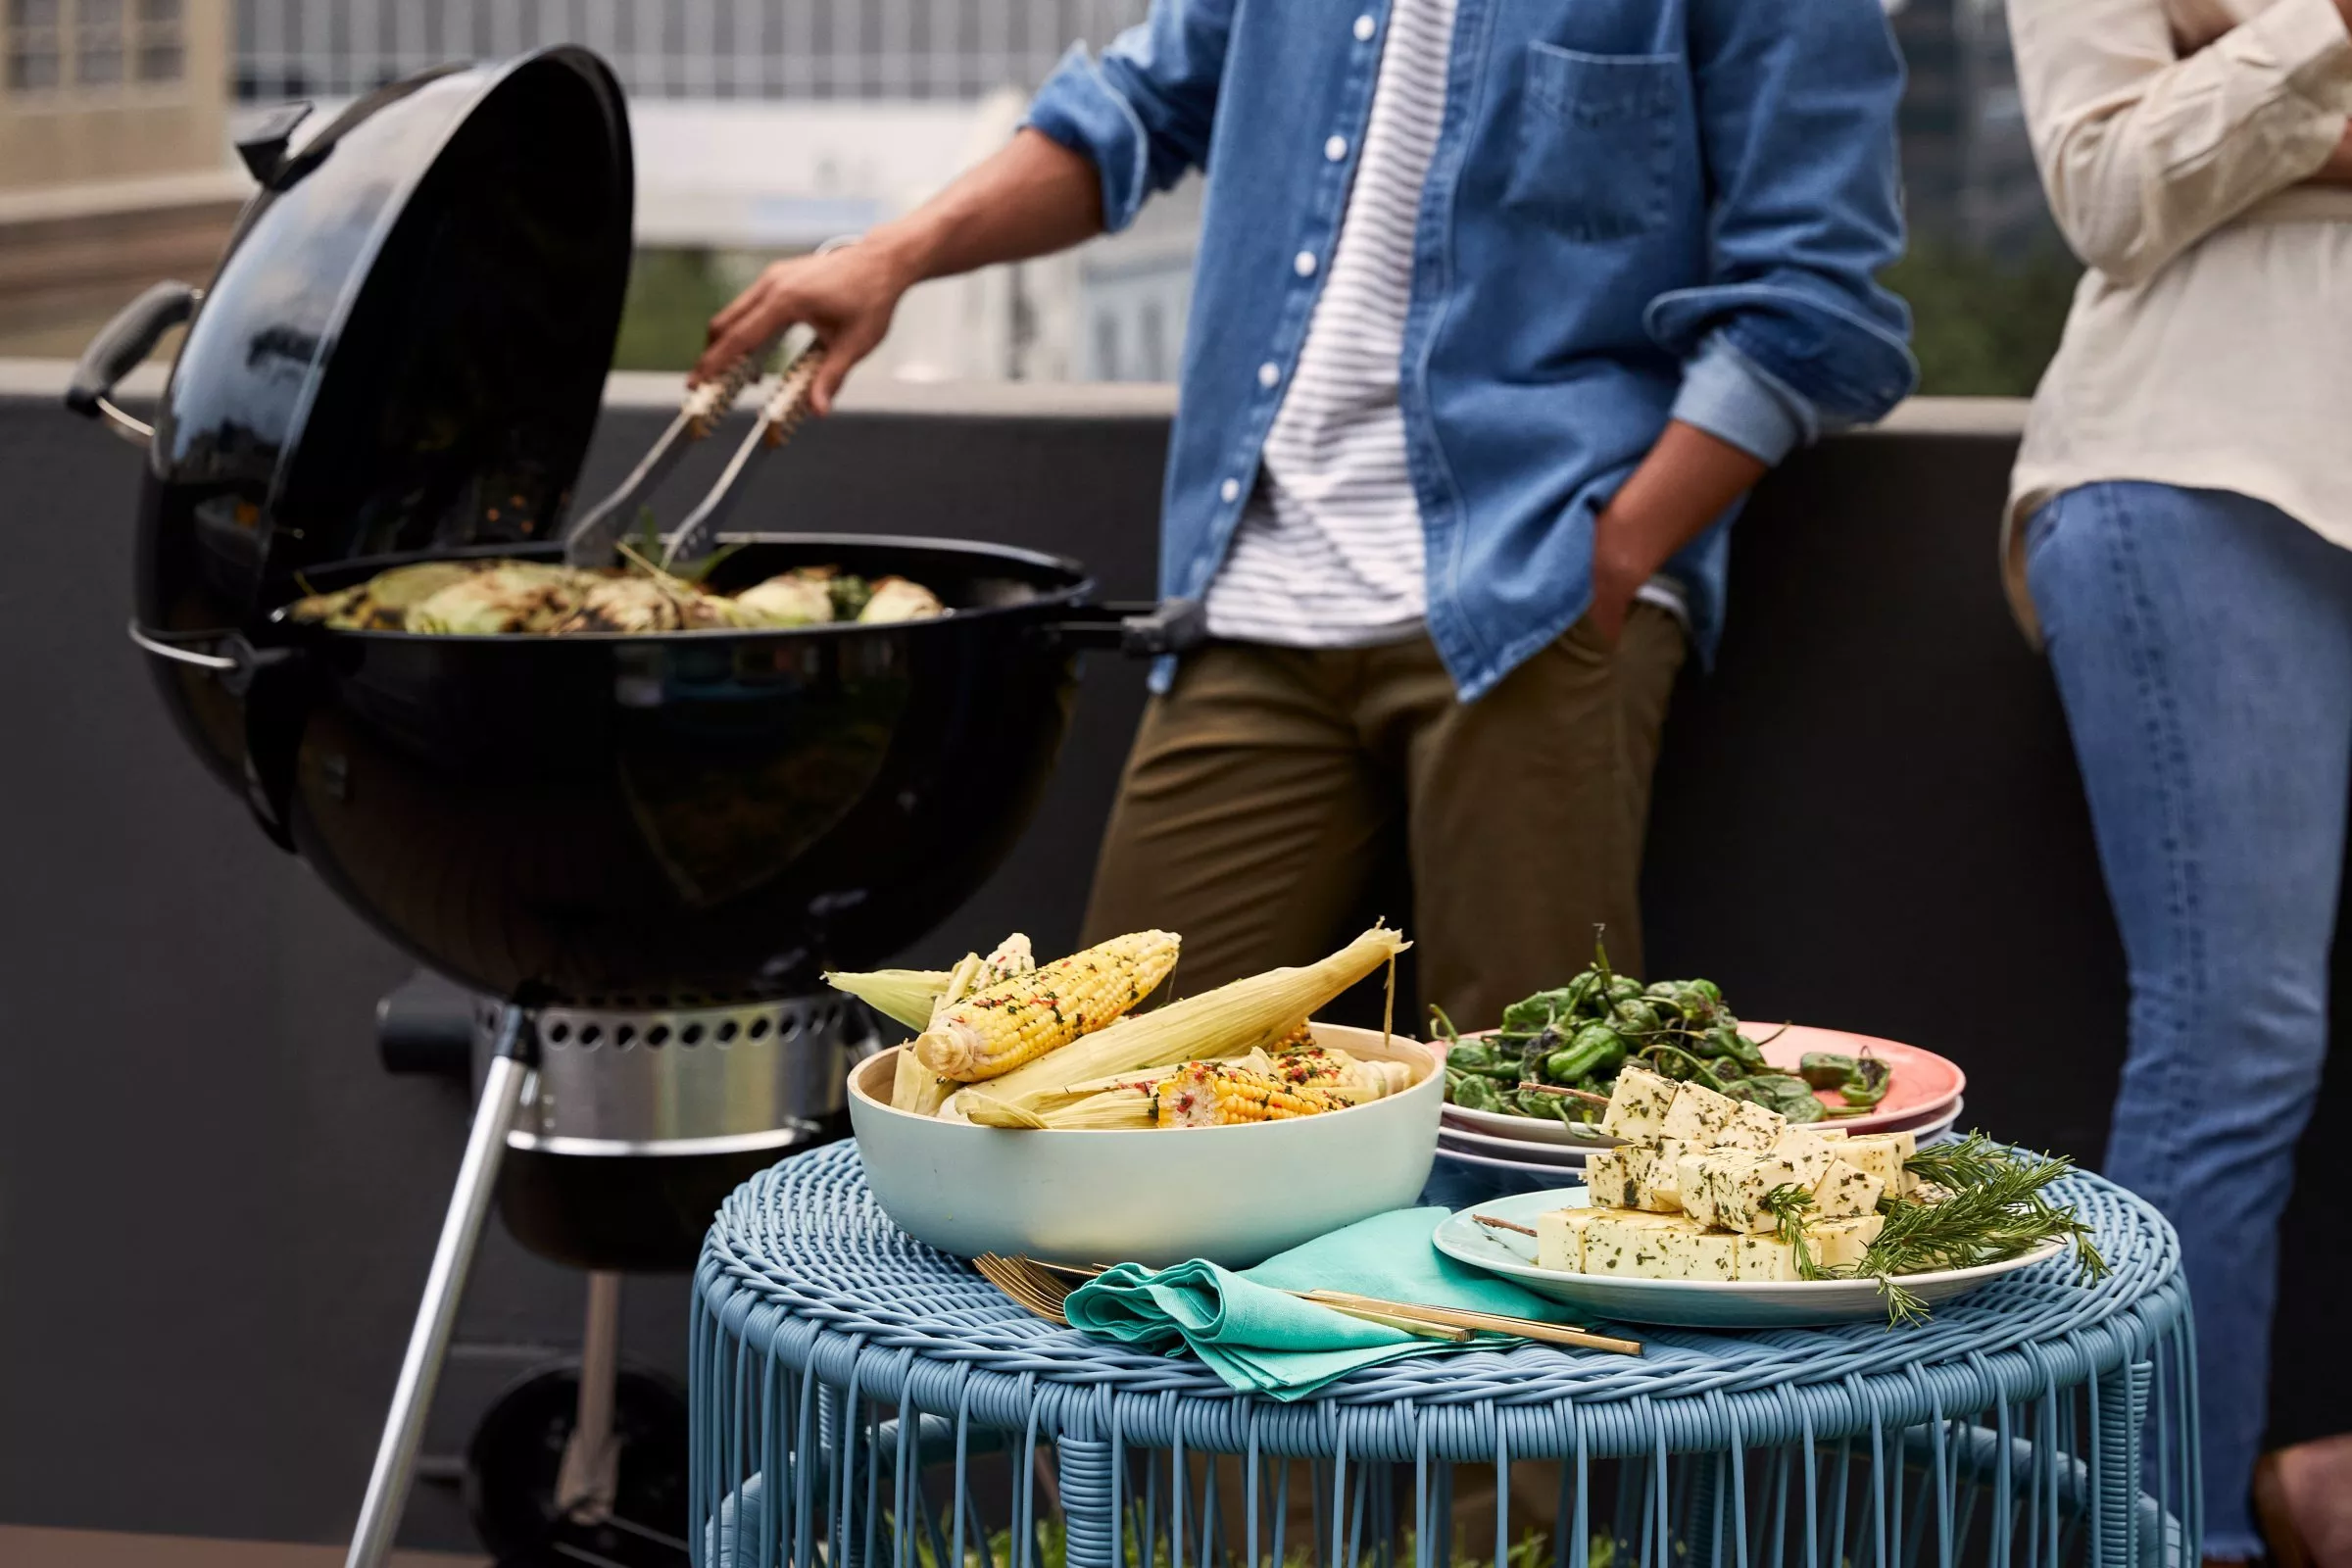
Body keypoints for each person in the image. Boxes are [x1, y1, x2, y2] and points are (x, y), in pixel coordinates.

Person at [704, 7, 1911, 1017]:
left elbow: (1816, 296)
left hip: (1534, 585)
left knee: (1529, 1139)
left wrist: (1621, 548)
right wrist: (893, 257)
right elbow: (1128, 110)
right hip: (1255, 598)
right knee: (1108, 1099)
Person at [2003, 0, 2352, 1560]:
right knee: (2237, 1041)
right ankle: (2168, 1537)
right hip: (2208, 470)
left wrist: (2256, 76)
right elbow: (2109, 189)